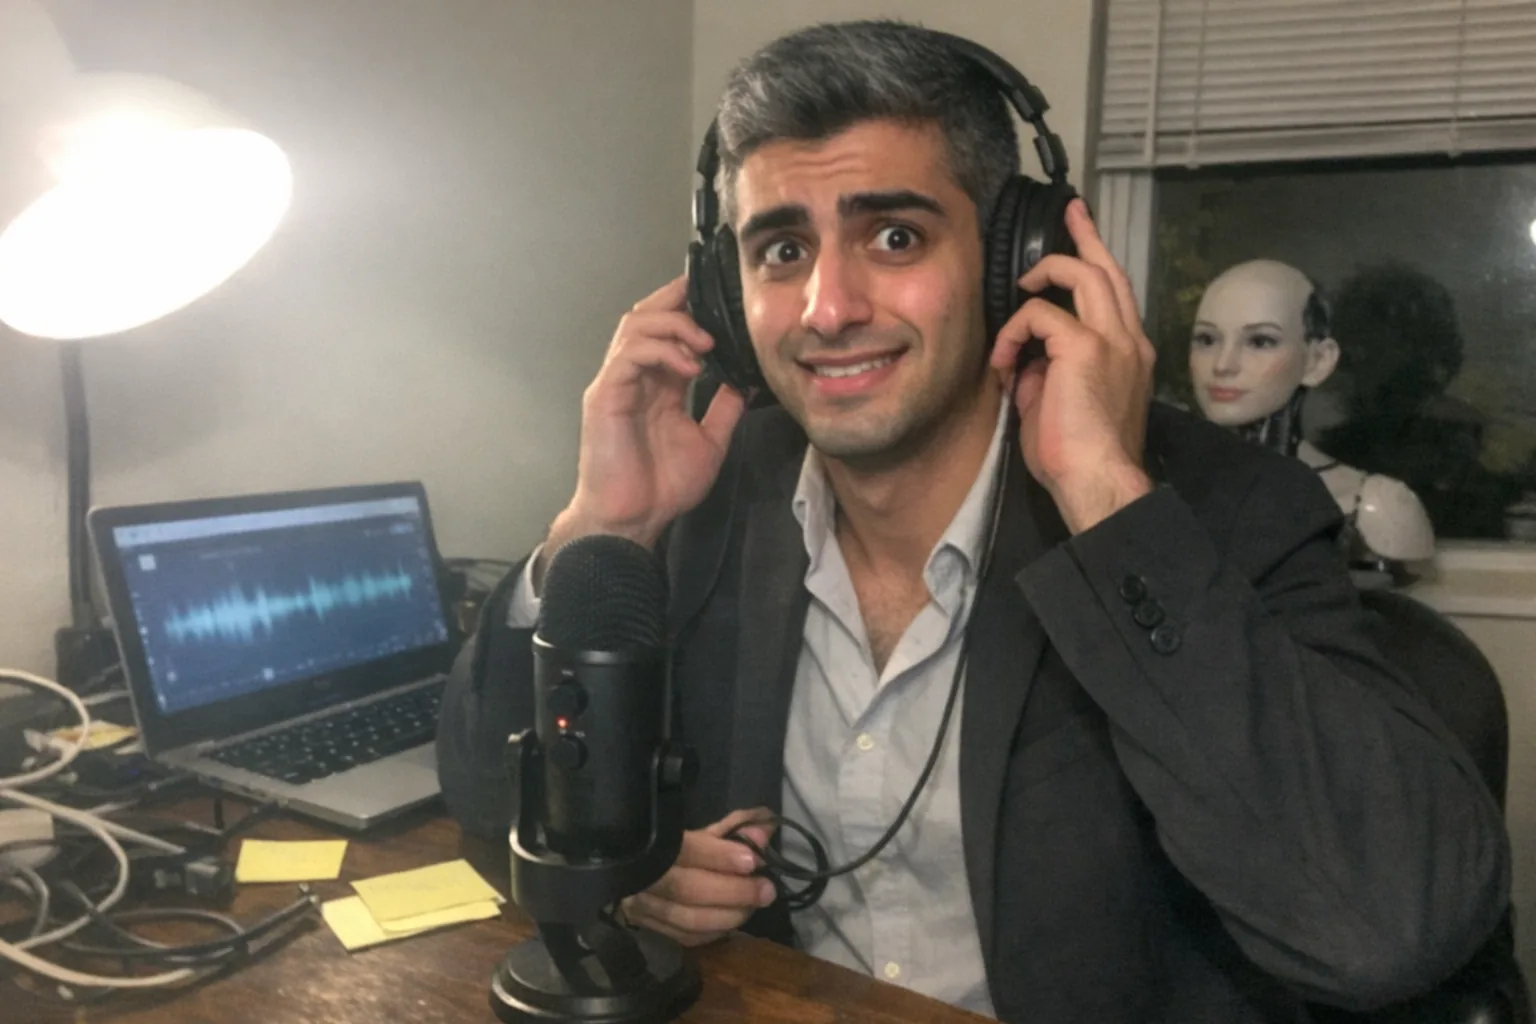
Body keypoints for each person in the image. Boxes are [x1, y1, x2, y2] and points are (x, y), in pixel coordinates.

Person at [437, 21, 1509, 1024]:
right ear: (725, 295)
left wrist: (1107, 503)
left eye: (893, 235)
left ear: (1017, 260)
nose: (827, 307)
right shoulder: (709, 497)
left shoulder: (1218, 509)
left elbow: (1391, 928)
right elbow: (482, 790)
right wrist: (602, 530)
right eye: (779, 252)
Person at [1189, 259, 1436, 576]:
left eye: (1260, 341)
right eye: (1206, 339)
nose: (1223, 365)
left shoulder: (1370, 506)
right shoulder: (1155, 490)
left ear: (1318, 360)